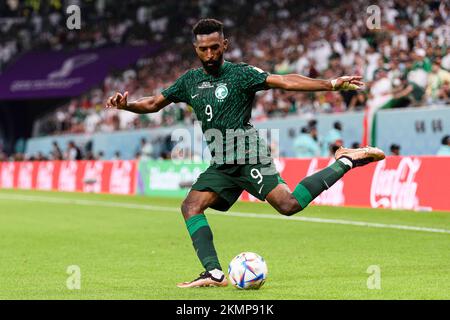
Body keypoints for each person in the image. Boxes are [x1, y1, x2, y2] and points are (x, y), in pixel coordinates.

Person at [105, 18, 385, 288]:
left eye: (215, 47)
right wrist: (126, 106)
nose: (210, 54)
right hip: (222, 163)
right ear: (196, 49)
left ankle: (345, 159)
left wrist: (331, 84)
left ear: (225, 44)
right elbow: (154, 103)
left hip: (248, 154)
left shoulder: (241, 74)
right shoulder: (189, 81)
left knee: (289, 205)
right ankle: (214, 273)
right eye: (204, 49)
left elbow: (285, 81)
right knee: (191, 206)